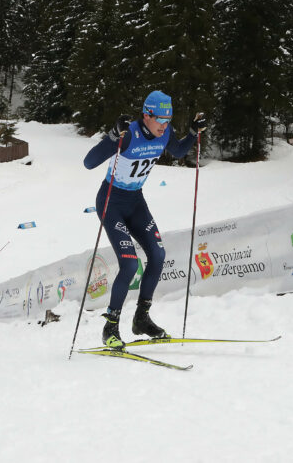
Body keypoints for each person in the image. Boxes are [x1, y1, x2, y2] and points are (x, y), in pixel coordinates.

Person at [82, 90, 206, 348]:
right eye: (160, 119)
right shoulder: (129, 135)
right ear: (146, 115)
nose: (164, 125)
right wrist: (112, 137)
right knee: (129, 264)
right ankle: (110, 327)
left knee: (158, 255)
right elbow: (89, 162)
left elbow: (180, 151)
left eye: (168, 119)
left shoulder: (166, 133)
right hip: (111, 202)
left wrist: (193, 133)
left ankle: (141, 319)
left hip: (136, 202)